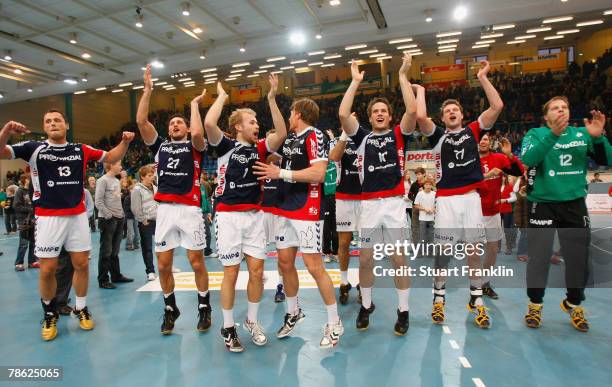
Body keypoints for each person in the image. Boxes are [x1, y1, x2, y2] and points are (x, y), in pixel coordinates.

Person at [0, 115, 133, 341]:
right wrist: (5, 132)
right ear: (44, 127)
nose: (53, 123)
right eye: (48, 121)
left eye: (57, 120)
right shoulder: (34, 148)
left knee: (81, 264)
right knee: (47, 269)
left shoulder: (80, 149)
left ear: (66, 125)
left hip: (77, 216)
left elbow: (110, 156)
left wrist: (126, 142)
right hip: (48, 217)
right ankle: (49, 313)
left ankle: (80, 307)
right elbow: (2, 152)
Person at [415, 60, 504, 329]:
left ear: (462, 115)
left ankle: (476, 299)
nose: (452, 112)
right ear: (442, 118)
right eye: (447, 111)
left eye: (455, 109)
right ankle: (439, 299)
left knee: (472, 251)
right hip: (448, 201)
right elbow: (420, 117)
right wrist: (420, 91)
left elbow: (497, 106)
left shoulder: (473, 131)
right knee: (443, 253)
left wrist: (482, 77)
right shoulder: (438, 137)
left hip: (471, 200)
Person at [253, 96, 344, 349]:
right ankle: (294, 312)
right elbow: (295, 163)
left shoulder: (314, 135)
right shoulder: (292, 138)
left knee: (314, 266)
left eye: (291, 113)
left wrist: (280, 172)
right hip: (286, 206)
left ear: (299, 114)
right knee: (284, 262)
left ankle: (335, 323)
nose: (289, 116)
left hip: (307, 207)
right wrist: (279, 162)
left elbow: (318, 172)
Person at [204, 75, 287, 352]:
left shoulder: (261, 148)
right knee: (230, 273)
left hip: (255, 217)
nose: (257, 125)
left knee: (257, 271)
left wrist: (272, 98)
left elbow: (282, 133)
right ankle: (228, 327)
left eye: (256, 122)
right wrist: (222, 98)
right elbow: (208, 124)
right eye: (252, 122)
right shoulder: (226, 145)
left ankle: (251, 321)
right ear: (238, 127)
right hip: (228, 216)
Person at [337, 53, 416, 335]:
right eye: (375, 111)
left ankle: (403, 311)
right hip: (369, 206)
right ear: (370, 118)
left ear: (389, 116)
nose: (380, 113)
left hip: (394, 205)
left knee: (398, 259)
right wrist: (355, 82)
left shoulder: (399, 134)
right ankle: (366, 305)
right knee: (367, 258)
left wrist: (403, 77)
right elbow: (344, 115)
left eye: (384, 110)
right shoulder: (362, 138)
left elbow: (412, 112)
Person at [521, 98, 609, 332]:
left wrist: (599, 137)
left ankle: (574, 303)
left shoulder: (582, 134)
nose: (561, 110)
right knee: (539, 258)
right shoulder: (536, 134)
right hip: (542, 204)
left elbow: (606, 160)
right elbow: (528, 160)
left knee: (579, 260)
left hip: (574, 204)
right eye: (554, 108)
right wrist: (553, 135)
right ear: (546, 115)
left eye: (565, 107)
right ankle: (535, 304)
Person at [136, 65, 211, 335]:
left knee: (196, 262)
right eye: (171, 123)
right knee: (164, 265)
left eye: (180, 122)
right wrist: (147, 91)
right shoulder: (161, 147)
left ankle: (204, 306)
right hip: (165, 210)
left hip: (190, 210)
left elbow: (200, 134)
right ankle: (170, 308)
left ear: (188, 127)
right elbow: (142, 122)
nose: (175, 124)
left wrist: (193, 105)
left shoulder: (196, 147)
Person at [478, 134, 524, 299]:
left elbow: (519, 171)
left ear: (489, 142)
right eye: (479, 139)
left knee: (492, 250)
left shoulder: (498, 158)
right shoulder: (468, 160)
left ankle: (485, 282)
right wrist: (487, 175)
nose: (482, 141)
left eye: (485, 139)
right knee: (474, 252)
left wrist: (510, 155)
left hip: (493, 212)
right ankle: (475, 285)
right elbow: (463, 182)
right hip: (473, 213)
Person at [329, 116, 362, 305]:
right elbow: (334, 157)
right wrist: (344, 133)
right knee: (343, 243)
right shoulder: (337, 141)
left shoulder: (364, 138)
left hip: (366, 199)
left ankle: (364, 284)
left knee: (366, 246)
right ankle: (343, 281)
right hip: (344, 198)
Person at [55, 189, 95, 316]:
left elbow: (89, 207)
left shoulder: (84, 191)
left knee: (76, 267)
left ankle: (62, 299)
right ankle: (58, 303)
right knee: (63, 267)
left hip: (77, 228)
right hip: (59, 228)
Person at [95, 160, 134, 289]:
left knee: (115, 251)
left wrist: (121, 214)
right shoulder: (102, 180)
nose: (121, 166)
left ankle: (116, 275)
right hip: (108, 219)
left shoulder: (117, 181)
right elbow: (98, 202)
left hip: (119, 218)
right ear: (111, 165)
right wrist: (109, 215)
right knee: (106, 251)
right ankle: (103, 279)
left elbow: (117, 199)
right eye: (119, 164)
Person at [259, 139, 286, 303]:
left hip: (280, 213)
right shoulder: (259, 163)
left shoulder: (287, 163)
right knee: (257, 252)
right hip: (261, 213)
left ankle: (280, 286)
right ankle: (259, 278)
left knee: (282, 255)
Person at [131, 165, 158, 280]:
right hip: (146, 222)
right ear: (142, 177)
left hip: (158, 220)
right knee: (147, 247)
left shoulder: (155, 187)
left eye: (153, 175)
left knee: (165, 245)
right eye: (149, 175)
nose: (152, 177)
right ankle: (150, 271)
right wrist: (143, 220)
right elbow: (135, 207)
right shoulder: (137, 189)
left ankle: (168, 266)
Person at [13, 174, 38, 270]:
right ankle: (18, 263)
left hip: (33, 219)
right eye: (28, 179)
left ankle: (32, 262)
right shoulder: (20, 191)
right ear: (24, 180)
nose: (30, 180)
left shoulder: (33, 191)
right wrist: (30, 209)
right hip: (24, 220)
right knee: (23, 243)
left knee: (33, 242)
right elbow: (16, 206)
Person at [322, 132, 338, 264]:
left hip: (337, 198)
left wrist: (333, 139)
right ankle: (327, 252)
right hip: (325, 198)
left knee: (336, 227)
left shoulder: (336, 164)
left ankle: (336, 252)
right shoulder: (320, 167)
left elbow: (335, 150)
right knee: (326, 228)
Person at [413, 178, 436, 250]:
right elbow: (416, 205)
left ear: (432, 186)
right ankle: (422, 250)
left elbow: (438, 204)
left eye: (430, 184)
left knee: (431, 235)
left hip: (432, 218)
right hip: (422, 218)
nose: (428, 186)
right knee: (422, 235)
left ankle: (430, 250)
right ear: (424, 185)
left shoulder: (434, 194)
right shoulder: (420, 194)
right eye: (426, 184)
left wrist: (433, 209)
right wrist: (424, 209)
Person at [407, 167, 426, 243]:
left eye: (419, 174)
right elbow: (409, 195)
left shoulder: (428, 184)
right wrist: (415, 200)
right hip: (415, 208)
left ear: (424, 174)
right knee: (415, 226)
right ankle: (415, 244)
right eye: (416, 175)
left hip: (425, 208)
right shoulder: (414, 184)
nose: (417, 176)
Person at [123, 182, 141, 251]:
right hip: (129, 218)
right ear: (129, 190)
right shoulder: (127, 198)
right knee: (131, 232)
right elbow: (127, 209)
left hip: (135, 217)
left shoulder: (137, 198)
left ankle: (136, 244)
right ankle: (129, 245)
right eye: (132, 189)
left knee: (137, 232)